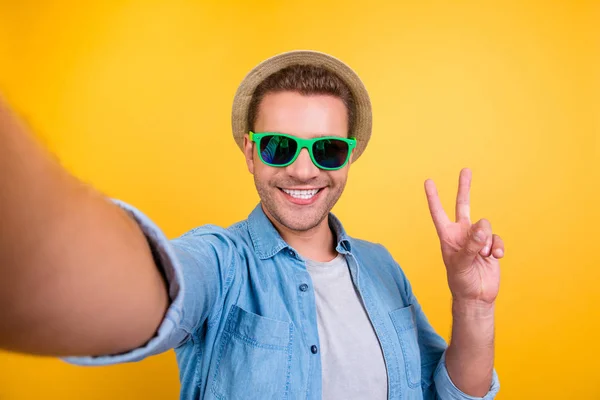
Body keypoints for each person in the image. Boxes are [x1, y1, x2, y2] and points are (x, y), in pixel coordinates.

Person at [0, 50, 503, 399]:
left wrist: (473, 304)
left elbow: (456, 395)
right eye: (280, 146)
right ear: (250, 152)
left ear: (349, 159)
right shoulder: (220, 261)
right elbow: (140, 291)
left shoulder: (381, 266)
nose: (304, 170)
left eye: (326, 149)